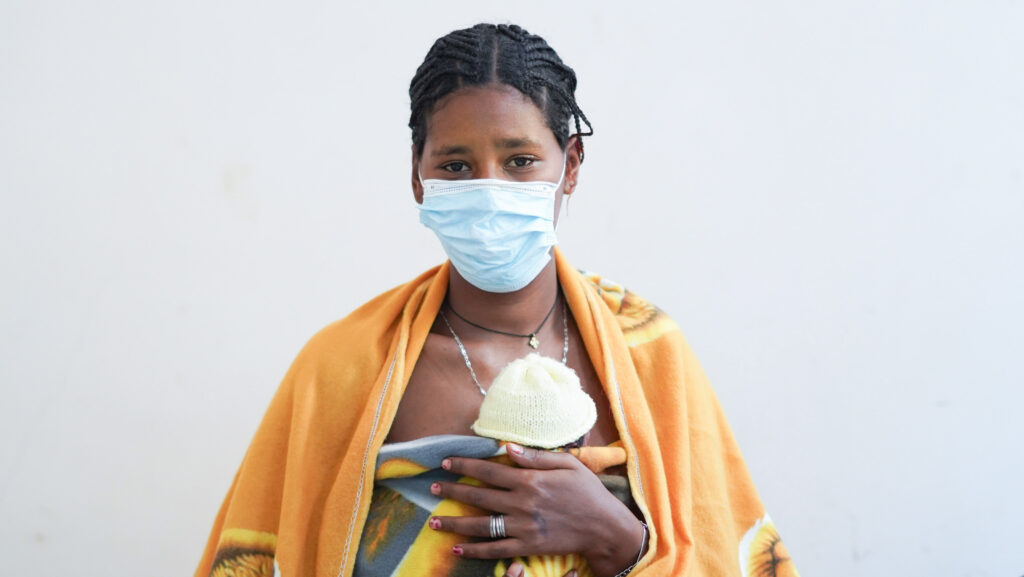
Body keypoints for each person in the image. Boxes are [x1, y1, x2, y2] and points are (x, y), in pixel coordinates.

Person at [195, 23, 799, 577]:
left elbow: (724, 552)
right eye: (456, 165)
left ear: (572, 164)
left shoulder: (650, 355)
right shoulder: (341, 368)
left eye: (520, 161)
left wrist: (618, 539)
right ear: (417, 176)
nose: (489, 189)